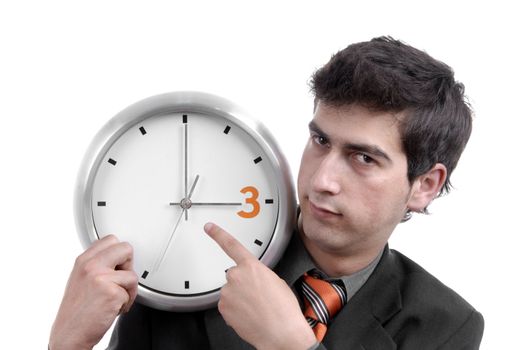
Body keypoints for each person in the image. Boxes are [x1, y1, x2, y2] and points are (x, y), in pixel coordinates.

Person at [49, 36, 484, 349]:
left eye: (363, 158)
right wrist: (65, 345)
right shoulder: (181, 270)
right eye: (320, 142)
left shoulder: (447, 327)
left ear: (424, 186)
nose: (320, 180)